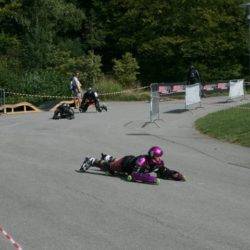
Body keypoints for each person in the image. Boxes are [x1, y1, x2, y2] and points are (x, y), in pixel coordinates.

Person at [79, 146, 186, 184]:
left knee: (112, 164)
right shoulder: (142, 160)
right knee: (110, 168)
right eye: (157, 156)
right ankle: (91, 161)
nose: (159, 159)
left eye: (160, 156)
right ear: (152, 156)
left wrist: (175, 175)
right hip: (124, 164)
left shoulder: (158, 163)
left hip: (130, 163)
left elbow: (163, 171)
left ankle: (108, 157)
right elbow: (135, 174)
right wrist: (150, 179)